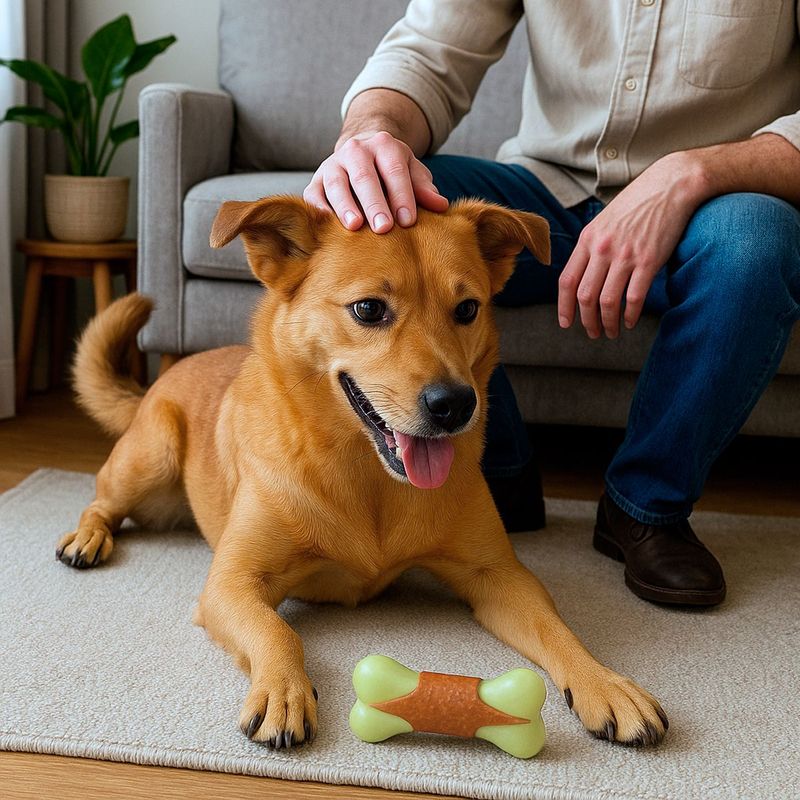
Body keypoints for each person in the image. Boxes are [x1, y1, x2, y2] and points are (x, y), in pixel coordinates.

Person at [303, 0, 800, 607]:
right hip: (549, 187)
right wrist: (371, 136)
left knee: (759, 243)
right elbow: (430, 50)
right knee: (405, 197)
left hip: (715, 203)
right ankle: (500, 474)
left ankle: (645, 507)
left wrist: (689, 172)